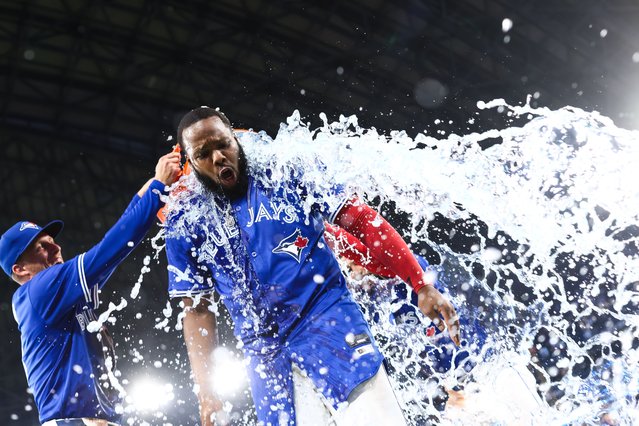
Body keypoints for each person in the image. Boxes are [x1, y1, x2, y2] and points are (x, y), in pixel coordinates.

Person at [163, 107, 461, 426]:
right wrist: (207, 393)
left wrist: (420, 283)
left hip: (328, 319)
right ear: (191, 164)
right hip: (265, 355)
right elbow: (196, 310)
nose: (219, 157)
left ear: (237, 139)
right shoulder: (185, 217)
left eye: (223, 144)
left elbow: (361, 220)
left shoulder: (284, 169)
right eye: (204, 154)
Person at [0, 151, 181, 426]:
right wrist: (157, 187)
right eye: (42, 247)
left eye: (53, 242)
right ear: (20, 269)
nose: (56, 248)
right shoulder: (39, 291)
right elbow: (111, 248)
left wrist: (149, 189)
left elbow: (111, 253)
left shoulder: (61, 296)